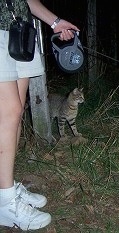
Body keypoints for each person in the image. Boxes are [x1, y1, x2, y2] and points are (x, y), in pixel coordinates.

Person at [0, 0, 79, 230]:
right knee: (9, 111)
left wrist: (54, 22)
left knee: (16, 111)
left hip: (19, 29)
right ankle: (5, 201)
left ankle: (6, 186)